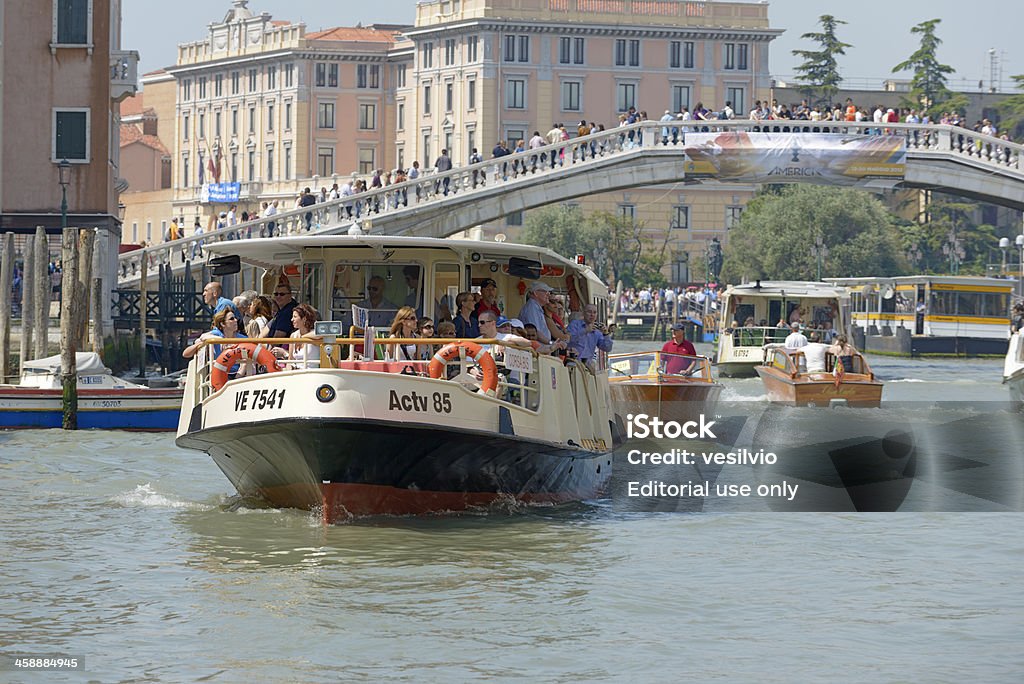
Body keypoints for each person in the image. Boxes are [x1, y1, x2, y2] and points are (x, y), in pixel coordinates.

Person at [182, 308, 246, 369]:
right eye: (232, 319)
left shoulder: (242, 339)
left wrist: (239, 374)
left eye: (235, 318)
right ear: (223, 324)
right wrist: (221, 340)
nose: (236, 320)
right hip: (218, 374)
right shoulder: (215, 335)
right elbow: (203, 337)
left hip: (238, 375)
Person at [289, 303, 321, 367]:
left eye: (295, 317)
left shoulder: (314, 334)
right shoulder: (293, 335)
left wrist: (303, 337)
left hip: (312, 374)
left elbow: (321, 335)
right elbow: (290, 360)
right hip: (297, 373)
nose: (292, 319)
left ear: (304, 319)